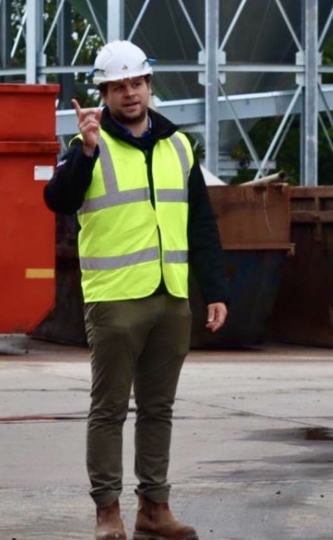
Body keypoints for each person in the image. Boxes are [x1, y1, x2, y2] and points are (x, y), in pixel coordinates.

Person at [44, 40, 229, 540]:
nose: (130, 93)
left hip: (171, 297)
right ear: (104, 93)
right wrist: (83, 151)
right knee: (108, 409)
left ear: (149, 85)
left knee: (158, 408)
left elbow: (201, 224)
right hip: (115, 297)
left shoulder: (180, 145)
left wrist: (214, 289)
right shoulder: (87, 143)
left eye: (137, 83)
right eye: (118, 86)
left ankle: (155, 507)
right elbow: (57, 200)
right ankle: (108, 513)